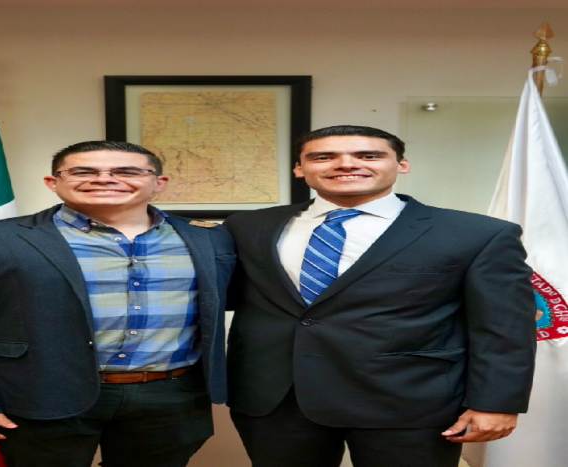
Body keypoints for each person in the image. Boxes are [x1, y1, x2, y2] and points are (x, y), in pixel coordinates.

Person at [223, 125, 536, 467]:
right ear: (300, 168)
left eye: (368, 155)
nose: (346, 164)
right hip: (277, 399)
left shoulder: (478, 234)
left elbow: (504, 325)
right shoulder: (247, 227)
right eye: (323, 157)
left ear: (402, 164)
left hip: (411, 400)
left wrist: (496, 402)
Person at [0, 141, 236, 467]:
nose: (104, 179)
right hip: (40, 391)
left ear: (159, 183)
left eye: (126, 171)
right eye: (84, 171)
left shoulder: (210, 238)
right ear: (52, 182)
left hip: (171, 396)